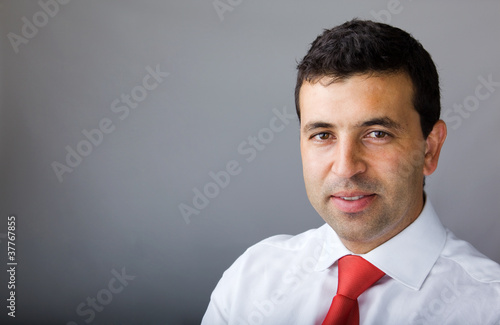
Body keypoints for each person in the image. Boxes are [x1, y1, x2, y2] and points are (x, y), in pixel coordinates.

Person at [201, 19, 500, 324]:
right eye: (323, 135)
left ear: (430, 148)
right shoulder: (250, 281)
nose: (346, 167)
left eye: (377, 133)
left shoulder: (489, 307)